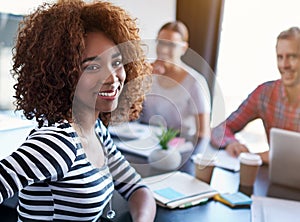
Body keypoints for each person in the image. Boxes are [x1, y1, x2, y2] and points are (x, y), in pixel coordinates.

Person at [3, 1, 156, 221]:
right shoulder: (57, 143)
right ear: (62, 75)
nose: (112, 78)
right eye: (92, 67)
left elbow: (137, 189)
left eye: (117, 62)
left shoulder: (97, 131)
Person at [210, 26, 300, 164]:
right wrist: (231, 143)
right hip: (277, 178)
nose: (284, 65)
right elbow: (220, 130)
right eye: (280, 57)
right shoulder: (265, 94)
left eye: (292, 57)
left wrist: (260, 157)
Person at [139, 21, 211, 140]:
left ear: (183, 48)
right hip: (144, 141)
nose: (164, 50)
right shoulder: (147, 74)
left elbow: (203, 133)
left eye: (171, 45)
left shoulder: (195, 82)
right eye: (161, 43)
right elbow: (128, 114)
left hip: (179, 145)